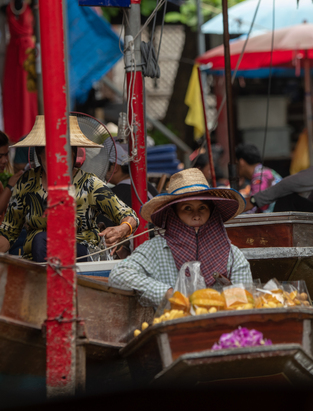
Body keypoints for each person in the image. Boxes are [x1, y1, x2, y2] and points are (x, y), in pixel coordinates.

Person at [0, 115, 139, 262]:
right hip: (36, 260)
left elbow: (130, 216)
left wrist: (121, 229)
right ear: (39, 155)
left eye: (65, 153)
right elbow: (8, 232)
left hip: (82, 256)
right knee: (39, 241)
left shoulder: (89, 183)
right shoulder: (27, 182)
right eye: (50, 154)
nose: (58, 159)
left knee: (42, 240)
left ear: (74, 154)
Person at [109, 168, 253, 307]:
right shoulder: (155, 249)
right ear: (173, 213)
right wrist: (168, 293)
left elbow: (245, 300)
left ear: (212, 211)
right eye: (187, 208)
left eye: (202, 207)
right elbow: (119, 274)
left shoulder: (232, 255)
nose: (196, 215)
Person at [235, 143, 282, 213]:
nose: (236, 167)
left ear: (241, 162)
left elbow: (253, 207)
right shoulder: (266, 172)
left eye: (236, 163)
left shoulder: (260, 177)